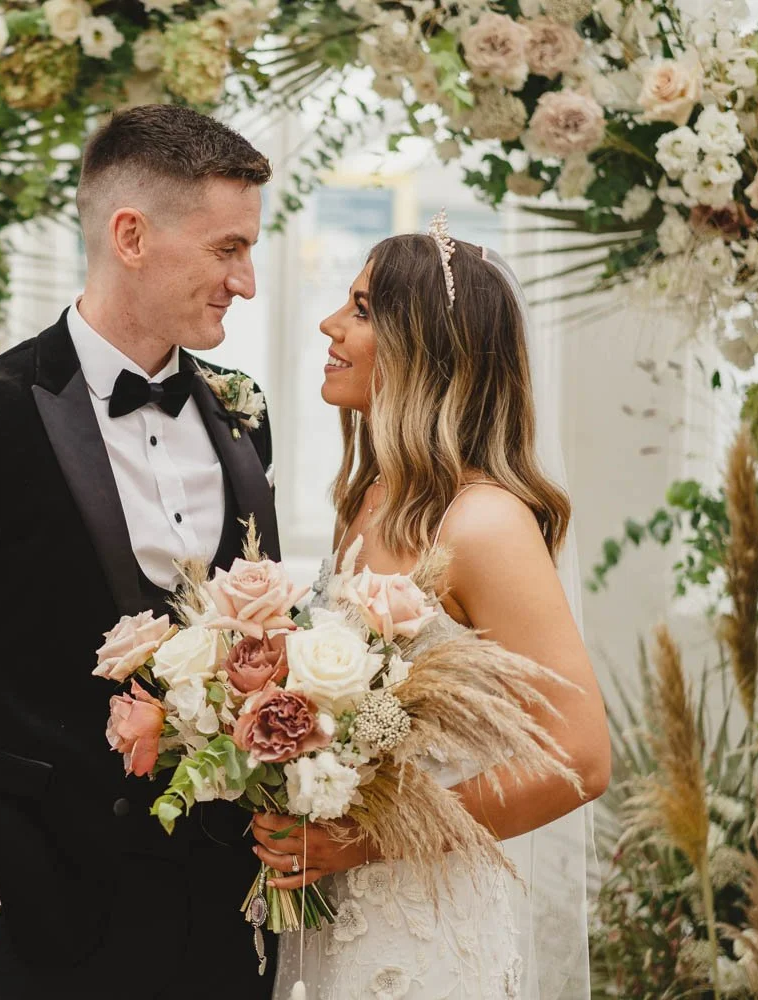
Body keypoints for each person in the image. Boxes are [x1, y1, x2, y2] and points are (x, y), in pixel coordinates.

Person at [0, 104, 280, 999]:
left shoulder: (243, 411)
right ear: (131, 235)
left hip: (224, 922)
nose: (245, 281)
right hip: (44, 927)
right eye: (227, 249)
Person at [251, 222, 611, 998]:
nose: (330, 325)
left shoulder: (485, 524)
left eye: (362, 310)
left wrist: (366, 837)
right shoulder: (370, 500)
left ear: (426, 348)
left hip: (426, 928)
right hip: (335, 918)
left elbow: (582, 759)